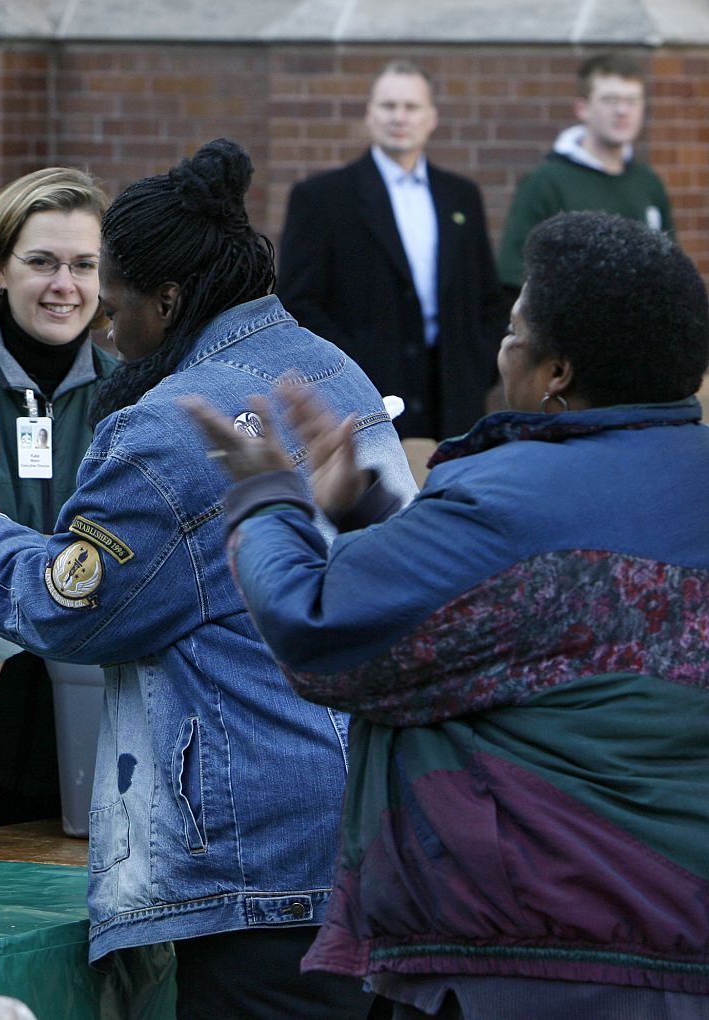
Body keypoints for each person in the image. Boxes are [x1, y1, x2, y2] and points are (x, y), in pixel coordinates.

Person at [0, 140, 413, 1018]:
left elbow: (76, 601)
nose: (105, 321)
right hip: (370, 826)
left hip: (258, 861)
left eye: (118, 298)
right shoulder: (329, 366)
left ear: (169, 300)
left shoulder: (171, 429)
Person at [187, 211, 709, 1019]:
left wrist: (265, 495)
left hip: (537, 965)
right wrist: (372, 510)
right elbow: (519, 620)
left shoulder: (512, 500)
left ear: (556, 370)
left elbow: (321, 628)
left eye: (512, 331)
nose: (502, 350)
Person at [0, 166, 116, 830]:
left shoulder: (125, 391)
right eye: (42, 262)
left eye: (84, 266)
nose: (64, 286)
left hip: (81, 725)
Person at [278, 60, 501, 440]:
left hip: (452, 398)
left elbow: (486, 296)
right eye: (388, 106)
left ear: (431, 118)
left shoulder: (460, 196)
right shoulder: (321, 199)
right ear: (369, 114)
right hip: (365, 398)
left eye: (411, 107)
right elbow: (299, 304)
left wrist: (477, 370)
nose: (399, 117)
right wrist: (351, 373)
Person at [498, 53, 672, 292]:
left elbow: (671, 268)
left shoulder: (648, 183)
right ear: (582, 108)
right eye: (610, 99)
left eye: (632, 100)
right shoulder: (545, 183)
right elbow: (516, 273)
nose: (623, 110)